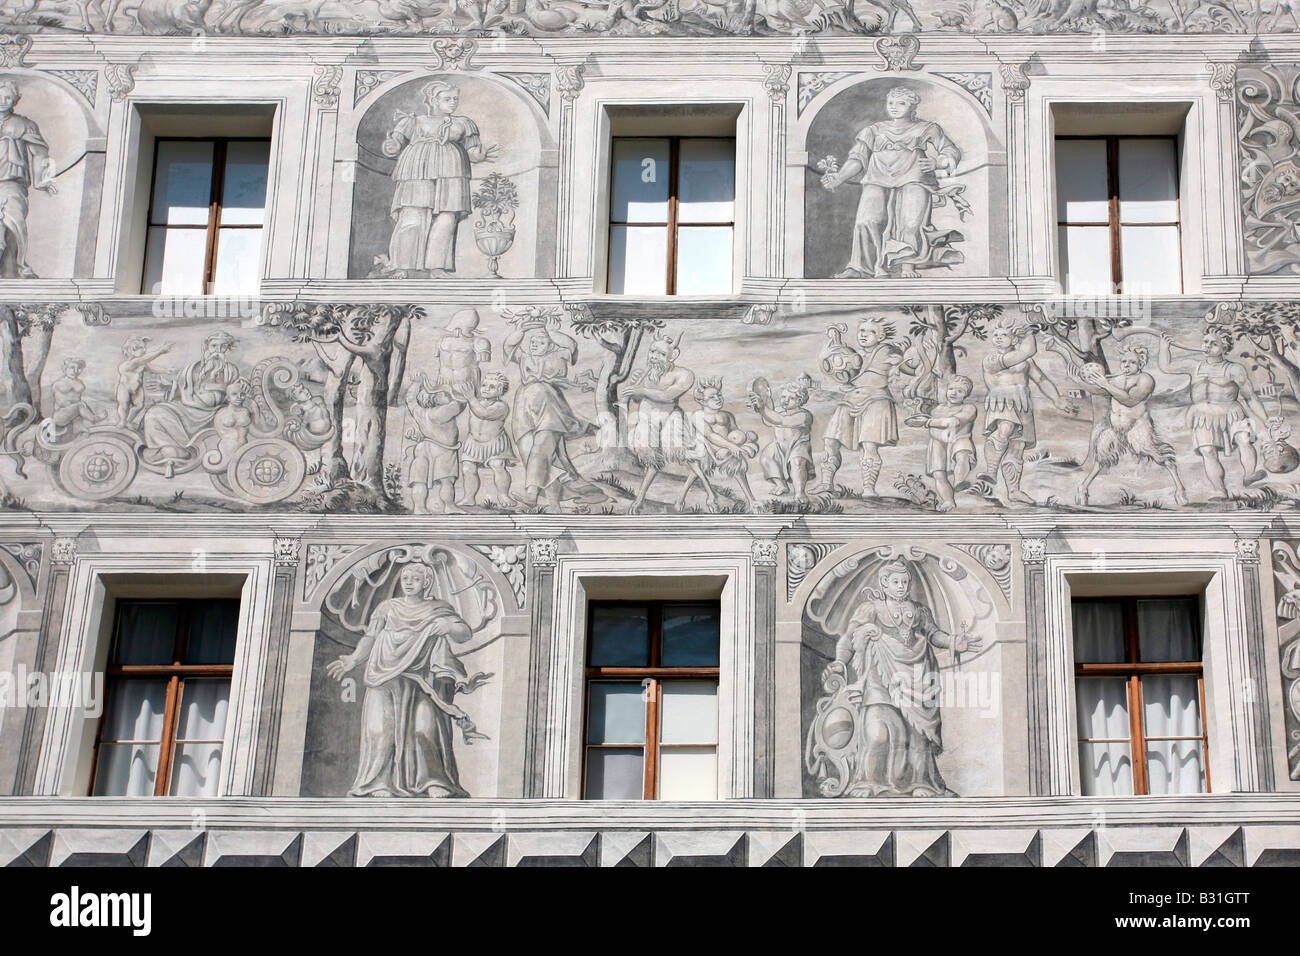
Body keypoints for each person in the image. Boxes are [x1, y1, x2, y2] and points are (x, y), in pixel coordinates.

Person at [326, 562, 489, 799]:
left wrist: (448, 626)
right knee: (381, 730)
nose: (409, 582)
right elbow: (370, 637)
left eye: (415, 578)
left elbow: (465, 633)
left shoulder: (439, 608)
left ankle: (434, 781)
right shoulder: (387, 607)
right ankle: (378, 783)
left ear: (427, 582)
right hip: (384, 674)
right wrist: (353, 659)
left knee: (425, 729)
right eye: (405, 578)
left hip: (421, 679)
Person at [832, 559, 979, 797]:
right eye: (895, 582)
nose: (901, 586)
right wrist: (840, 661)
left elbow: (933, 634)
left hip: (918, 676)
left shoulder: (920, 611)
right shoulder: (871, 609)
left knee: (918, 735)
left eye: (904, 582)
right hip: (880, 675)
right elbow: (849, 638)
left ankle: (921, 783)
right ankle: (869, 782)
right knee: (877, 733)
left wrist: (954, 642)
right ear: (884, 583)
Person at [819, 86, 963, 279]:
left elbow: (951, 151)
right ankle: (862, 268)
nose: (894, 107)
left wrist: (937, 162)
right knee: (866, 220)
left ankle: (907, 266)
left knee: (911, 223)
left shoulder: (927, 128)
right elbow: (858, 158)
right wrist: (839, 178)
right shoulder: (873, 130)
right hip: (877, 179)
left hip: (914, 179)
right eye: (891, 103)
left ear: (912, 107)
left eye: (901, 103)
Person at [380, 81, 499, 277]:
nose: (453, 103)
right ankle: (403, 266)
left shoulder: (463, 123)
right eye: (447, 99)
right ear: (434, 100)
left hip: (452, 170)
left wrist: (480, 155)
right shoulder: (414, 121)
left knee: (447, 218)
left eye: (455, 99)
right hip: (417, 168)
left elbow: (473, 152)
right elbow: (395, 143)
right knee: (412, 216)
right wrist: (391, 145)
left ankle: (437, 268)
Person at [1159, 326, 1276, 500]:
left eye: (1214, 344)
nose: (1207, 346)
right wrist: (1164, 348)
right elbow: (1167, 367)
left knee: (1244, 440)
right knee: (1207, 451)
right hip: (1203, 416)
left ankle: (1250, 475)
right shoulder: (1194, 366)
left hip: (1232, 412)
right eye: (1205, 342)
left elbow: (1250, 397)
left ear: (1224, 348)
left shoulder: (1234, 369)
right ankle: (1220, 491)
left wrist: (1266, 420)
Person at [1074, 344, 1188, 507]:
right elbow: (1099, 391)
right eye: (1124, 361)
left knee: (1159, 455)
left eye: (1132, 362)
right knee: (1103, 455)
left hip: (1137, 426)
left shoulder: (1145, 380)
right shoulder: (1117, 378)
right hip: (1115, 426)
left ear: (1140, 364)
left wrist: (1105, 384)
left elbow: (1130, 400)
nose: (1126, 365)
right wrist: (1080, 381)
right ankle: (1083, 488)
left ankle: (1180, 488)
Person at [505, 316, 596, 509]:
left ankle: (531, 493)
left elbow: (571, 346)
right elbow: (508, 346)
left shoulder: (559, 354)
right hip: (523, 406)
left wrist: (551, 331)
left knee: (541, 450)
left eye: (541, 341)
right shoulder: (524, 356)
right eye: (533, 341)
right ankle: (554, 505)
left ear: (551, 344)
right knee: (529, 452)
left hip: (550, 403)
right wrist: (522, 328)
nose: (534, 344)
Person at [979, 321, 1074, 504]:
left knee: (1017, 448)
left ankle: (1014, 491)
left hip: (1023, 402)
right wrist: (1030, 330)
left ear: (1015, 338)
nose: (998, 338)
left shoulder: (1026, 361)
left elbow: (1041, 379)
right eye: (995, 335)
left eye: (1003, 335)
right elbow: (1028, 350)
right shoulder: (990, 360)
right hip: (1002, 399)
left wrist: (1056, 399)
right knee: (1004, 429)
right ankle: (991, 471)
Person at [625, 332, 717, 513]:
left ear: (672, 355)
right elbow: (636, 399)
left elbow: (667, 395)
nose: (654, 356)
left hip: (670, 417)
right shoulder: (644, 373)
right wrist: (634, 390)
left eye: (660, 353)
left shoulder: (684, 374)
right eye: (652, 352)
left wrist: (642, 389)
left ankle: (710, 494)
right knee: (651, 460)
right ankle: (640, 498)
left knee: (686, 456)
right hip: (647, 418)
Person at [140, 331, 241, 474]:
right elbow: (181, 395)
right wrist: (168, 387)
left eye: (222, 347)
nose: (217, 351)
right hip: (187, 410)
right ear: (206, 347)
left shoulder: (231, 371)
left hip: (213, 413)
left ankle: (186, 451)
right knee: (155, 413)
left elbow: (234, 394)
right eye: (214, 346)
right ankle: (169, 450)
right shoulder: (191, 369)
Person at [0, 79, 56, 280]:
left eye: (8, 97)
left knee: (15, 223)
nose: (3, 101)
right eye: (1, 96)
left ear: (16, 100)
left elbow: (40, 151)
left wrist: (42, 179)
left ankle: (21, 267)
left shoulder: (24, 124)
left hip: (12, 182)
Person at [681, 376, 759, 510]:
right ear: (702, 400)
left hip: (726, 449)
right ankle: (681, 497)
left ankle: (752, 500)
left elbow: (735, 431)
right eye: (712, 397)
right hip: (706, 449)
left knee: (738, 467)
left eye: (719, 395)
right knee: (696, 470)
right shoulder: (698, 416)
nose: (718, 398)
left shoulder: (727, 415)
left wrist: (744, 441)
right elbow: (710, 435)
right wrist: (730, 445)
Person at [905, 374, 977, 513]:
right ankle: (948, 500)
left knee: (962, 454)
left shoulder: (969, 408)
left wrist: (927, 422)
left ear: (966, 395)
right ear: (946, 390)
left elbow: (954, 422)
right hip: (938, 442)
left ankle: (959, 482)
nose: (954, 393)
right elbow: (934, 428)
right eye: (951, 389)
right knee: (939, 474)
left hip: (959, 439)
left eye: (960, 391)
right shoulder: (938, 409)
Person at [404, 376, 464, 515]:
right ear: (435, 398)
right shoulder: (443, 412)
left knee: (420, 480)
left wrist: (416, 383)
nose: (450, 395)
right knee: (446, 481)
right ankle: (449, 506)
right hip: (443, 450)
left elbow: (411, 400)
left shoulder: (421, 412)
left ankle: (419, 507)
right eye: (445, 394)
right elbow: (460, 404)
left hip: (423, 448)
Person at [750, 378, 815, 502]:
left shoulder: (804, 415)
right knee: (766, 458)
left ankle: (800, 492)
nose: (785, 400)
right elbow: (768, 421)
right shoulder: (779, 411)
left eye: (790, 398)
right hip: (779, 445)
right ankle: (781, 484)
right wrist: (762, 409)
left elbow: (781, 421)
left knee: (797, 464)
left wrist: (764, 409)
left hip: (797, 446)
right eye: (783, 397)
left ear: (800, 400)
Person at [458, 371, 516, 507]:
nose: (486, 389)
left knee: (498, 466)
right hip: (474, 442)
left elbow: (483, 414)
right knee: (468, 468)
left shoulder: (501, 406)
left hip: (494, 442)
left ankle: (503, 495)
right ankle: (469, 497)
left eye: (492, 387)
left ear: (500, 390)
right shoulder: (476, 401)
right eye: (484, 385)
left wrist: (471, 398)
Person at [115, 337, 173, 428]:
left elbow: (152, 368)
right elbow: (144, 359)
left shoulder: (142, 363)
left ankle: (128, 421)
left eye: (144, 347)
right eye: (141, 348)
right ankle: (122, 421)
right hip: (125, 388)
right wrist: (160, 351)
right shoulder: (128, 364)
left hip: (137, 389)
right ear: (133, 350)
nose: (145, 350)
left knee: (139, 406)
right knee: (123, 404)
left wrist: (165, 370)